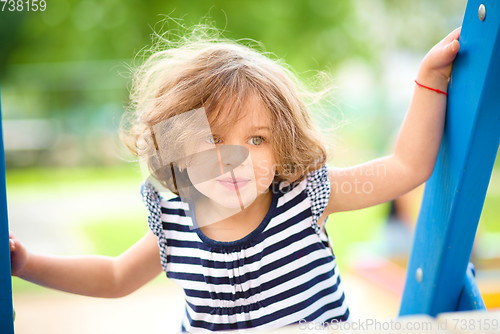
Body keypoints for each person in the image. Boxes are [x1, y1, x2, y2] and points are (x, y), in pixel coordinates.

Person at [9, 26, 461, 332]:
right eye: (213, 140)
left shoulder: (305, 198)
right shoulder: (175, 224)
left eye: (258, 139)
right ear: (179, 148)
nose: (235, 159)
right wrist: (27, 264)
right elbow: (113, 276)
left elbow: (406, 167)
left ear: (283, 145)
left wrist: (428, 80)